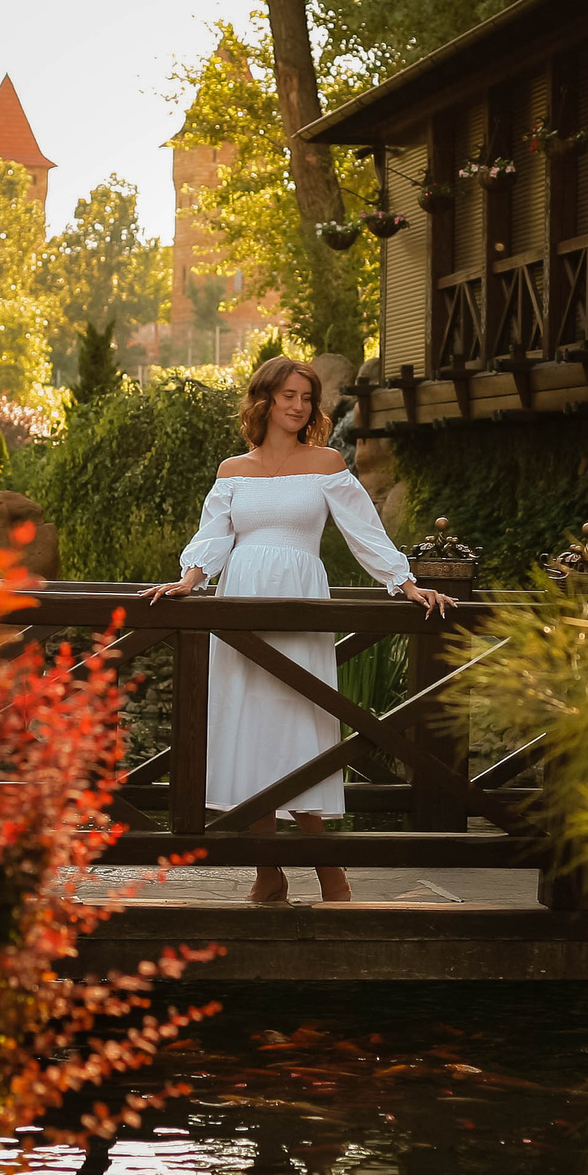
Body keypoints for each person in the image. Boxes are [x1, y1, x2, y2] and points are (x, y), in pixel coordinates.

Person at [145, 355, 455, 904]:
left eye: (307, 398)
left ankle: (329, 867)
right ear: (263, 400)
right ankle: (269, 871)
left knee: (302, 728)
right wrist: (186, 583)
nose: (299, 406)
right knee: (249, 728)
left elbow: (366, 532)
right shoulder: (232, 471)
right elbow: (214, 539)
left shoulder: (327, 462)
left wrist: (405, 583)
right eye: (289, 395)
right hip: (240, 606)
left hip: (301, 602)